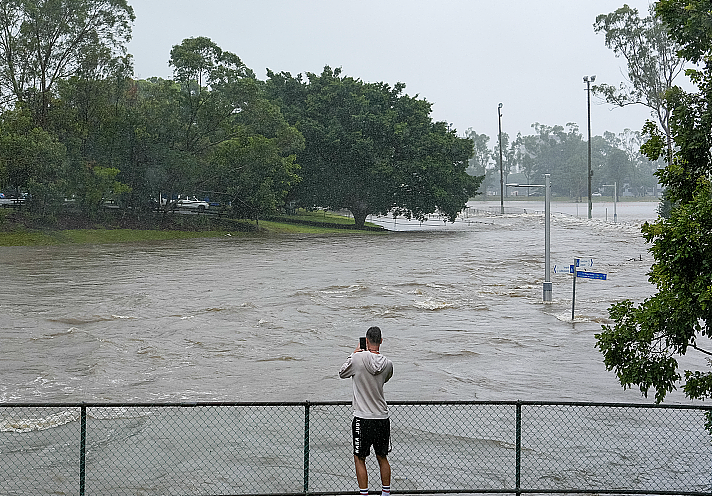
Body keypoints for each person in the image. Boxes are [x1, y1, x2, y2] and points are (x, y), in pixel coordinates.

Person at [339, 326, 394, 496]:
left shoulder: (357, 358)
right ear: (381, 341)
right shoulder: (388, 364)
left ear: (366, 340)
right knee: (382, 456)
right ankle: (386, 493)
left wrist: (354, 353)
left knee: (359, 458)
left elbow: (342, 373)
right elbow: (385, 379)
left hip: (362, 417)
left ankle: (364, 494)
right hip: (382, 417)